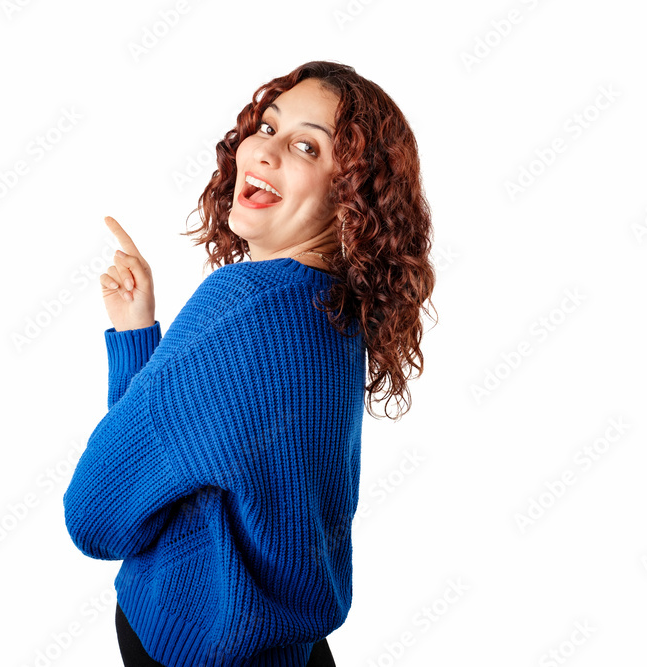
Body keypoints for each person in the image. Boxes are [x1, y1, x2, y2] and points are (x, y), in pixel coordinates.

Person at [63, 60, 435, 666]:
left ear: (349, 198)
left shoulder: (240, 316)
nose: (263, 150)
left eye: (307, 146)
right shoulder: (334, 310)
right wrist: (138, 332)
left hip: (189, 648)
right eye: (267, 126)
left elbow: (97, 516)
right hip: (292, 650)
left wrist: (136, 350)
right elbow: (198, 449)